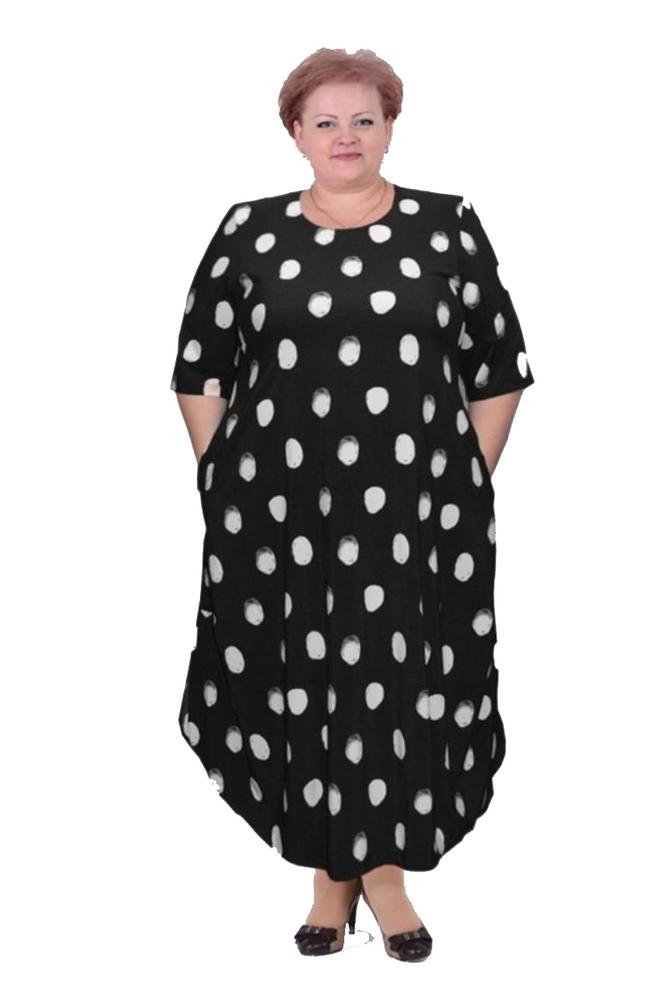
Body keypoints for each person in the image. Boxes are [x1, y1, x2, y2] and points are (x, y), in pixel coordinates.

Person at [170, 47, 535, 963]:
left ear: (390, 128)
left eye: (363, 120)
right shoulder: (249, 232)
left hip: (419, 516)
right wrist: (223, 477)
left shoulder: (448, 227)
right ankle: (331, 875)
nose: (345, 136)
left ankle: (384, 874)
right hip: (279, 513)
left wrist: (462, 480)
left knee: (400, 673)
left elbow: (498, 368)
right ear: (295, 133)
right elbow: (199, 369)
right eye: (325, 122)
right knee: (299, 670)